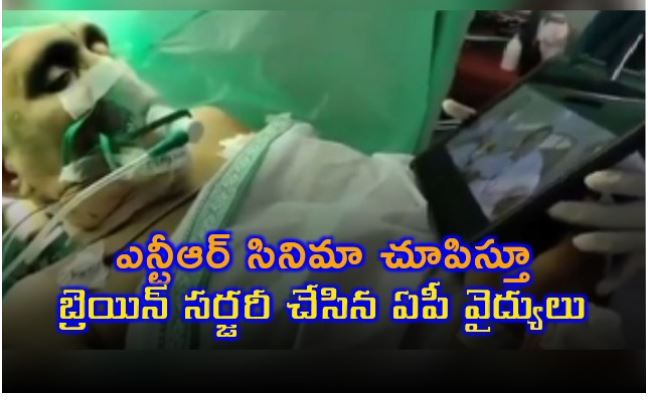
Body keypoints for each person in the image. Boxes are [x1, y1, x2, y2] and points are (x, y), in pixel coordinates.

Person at [2, 22, 644, 350]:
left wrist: (501, 170)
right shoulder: (56, 307)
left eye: (101, 49)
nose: (109, 74)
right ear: (10, 172)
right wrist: (568, 269)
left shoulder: (209, 126)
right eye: (58, 78)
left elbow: (370, 195)